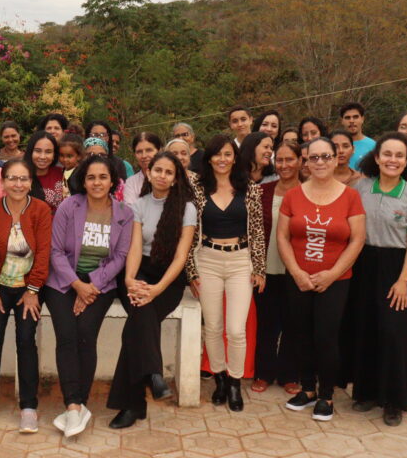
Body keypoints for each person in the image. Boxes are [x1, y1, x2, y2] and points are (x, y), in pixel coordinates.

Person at [44, 155, 134, 438]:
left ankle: (77, 404)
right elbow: (55, 251)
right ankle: (73, 405)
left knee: (86, 333)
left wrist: (90, 286)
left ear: (113, 181)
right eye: (91, 177)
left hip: (100, 283)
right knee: (67, 334)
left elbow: (120, 256)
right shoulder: (69, 207)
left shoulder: (124, 213)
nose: (97, 182)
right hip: (62, 281)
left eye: (103, 177)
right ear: (83, 181)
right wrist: (76, 285)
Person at [277, 137, 366, 422]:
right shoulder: (293, 195)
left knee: (326, 338)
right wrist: (296, 272)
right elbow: (282, 236)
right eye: (313, 158)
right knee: (300, 335)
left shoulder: (351, 196)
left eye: (325, 156)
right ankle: (307, 389)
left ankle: (326, 394)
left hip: (335, 280)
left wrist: (332, 274)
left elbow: (357, 240)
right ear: (306, 162)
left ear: (336, 158)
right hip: (299, 278)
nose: (320, 162)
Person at [107, 152, 196, 428]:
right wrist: (131, 280)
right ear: (149, 172)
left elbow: (181, 257)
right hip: (139, 270)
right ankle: (154, 375)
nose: (162, 175)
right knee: (141, 316)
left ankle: (135, 404)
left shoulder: (187, 208)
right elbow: (134, 247)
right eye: (158, 170)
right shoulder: (139, 204)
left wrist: (157, 289)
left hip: (168, 276)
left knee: (136, 325)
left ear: (175, 178)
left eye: (168, 172)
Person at [351, 133, 407, 426]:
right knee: (366, 328)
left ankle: (394, 400)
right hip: (364, 263)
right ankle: (366, 392)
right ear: (377, 157)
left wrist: (404, 280)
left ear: (406, 161)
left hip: (397, 267)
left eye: (399, 155)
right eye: (387, 154)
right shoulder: (362, 188)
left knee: (395, 335)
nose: (392, 160)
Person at [0, 159, 52, 433]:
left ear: (31, 182)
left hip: (28, 287)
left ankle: (29, 407)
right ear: (3, 182)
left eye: (23, 179)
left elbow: (44, 252)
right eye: (12, 178)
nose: (18, 184)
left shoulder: (41, 210)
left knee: (25, 339)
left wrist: (33, 290)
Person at [195, 135, 266, 411]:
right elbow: (190, 233)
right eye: (217, 154)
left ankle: (236, 383)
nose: (222, 159)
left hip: (240, 260)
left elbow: (258, 231)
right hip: (208, 260)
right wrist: (192, 271)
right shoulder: (198, 188)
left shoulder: (249, 189)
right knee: (212, 327)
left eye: (227, 154)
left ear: (234, 157)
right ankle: (220, 379)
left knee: (236, 329)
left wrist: (259, 268)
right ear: (209, 158)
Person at [252, 141, 301, 395]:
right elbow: (253, 232)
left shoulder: (308, 191)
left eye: (289, 159)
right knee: (267, 323)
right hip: (266, 268)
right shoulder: (262, 190)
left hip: (297, 269)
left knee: (293, 323)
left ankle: (290, 375)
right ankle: (264, 372)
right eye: (279, 160)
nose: (284, 165)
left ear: (300, 161)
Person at [25, 131, 64, 214]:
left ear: (54, 155)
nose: (42, 156)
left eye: (48, 152)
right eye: (38, 151)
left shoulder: (62, 173)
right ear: (30, 152)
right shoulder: (22, 177)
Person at [123, 132, 162, 206]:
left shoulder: (169, 178)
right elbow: (131, 213)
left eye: (149, 150)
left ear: (159, 151)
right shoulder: (131, 183)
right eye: (139, 152)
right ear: (135, 154)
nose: (144, 156)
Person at [339, 101, 375, 169]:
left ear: (362, 119)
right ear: (342, 121)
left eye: (355, 117)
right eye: (347, 118)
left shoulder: (373, 146)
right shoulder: (334, 146)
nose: (351, 121)